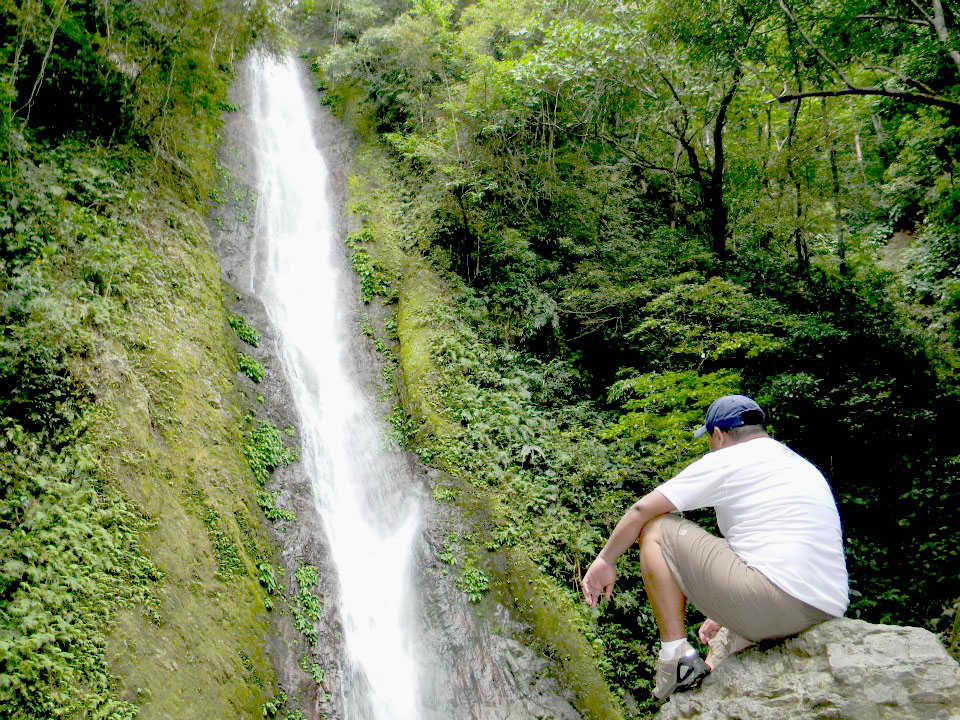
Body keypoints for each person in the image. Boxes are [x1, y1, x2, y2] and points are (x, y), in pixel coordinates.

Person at [580, 394, 848, 702]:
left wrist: (605, 560)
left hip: (775, 600)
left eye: (708, 439)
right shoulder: (798, 465)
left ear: (718, 435)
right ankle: (702, 690)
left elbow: (642, 510)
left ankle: (674, 657)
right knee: (717, 657)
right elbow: (779, 559)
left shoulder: (729, 458)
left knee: (658, 529)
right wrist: (725, 614)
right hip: (824, 608)